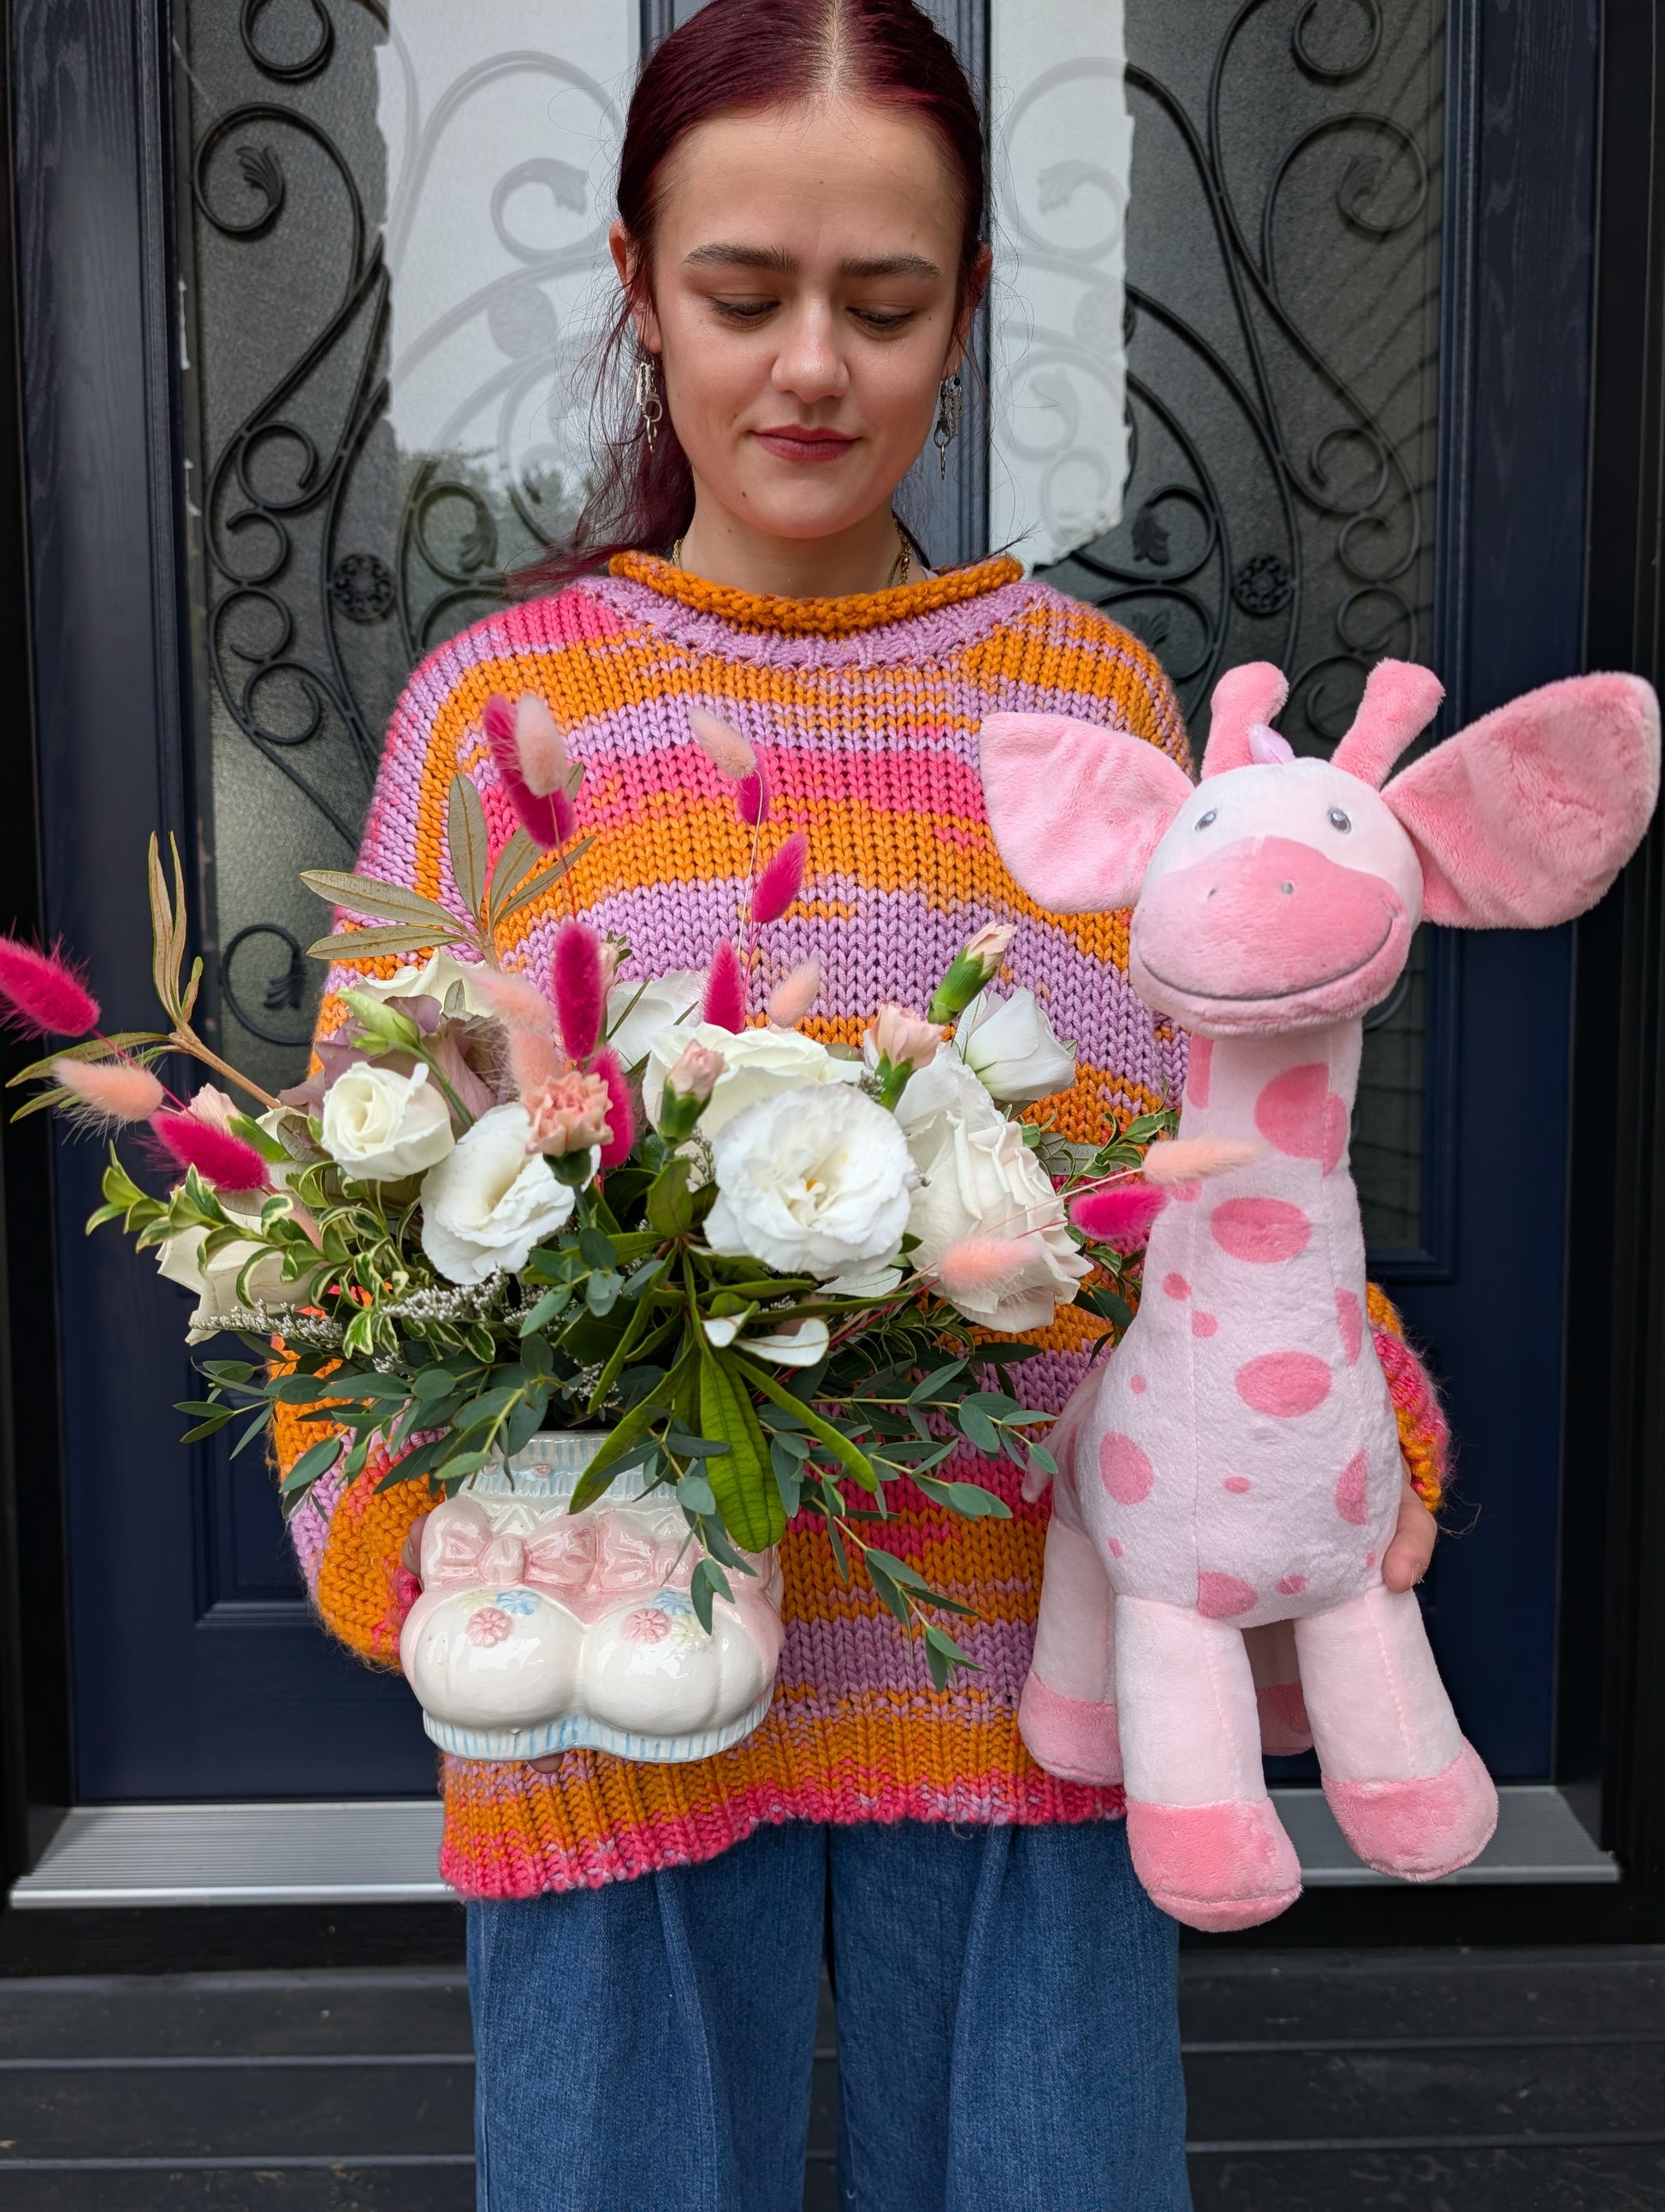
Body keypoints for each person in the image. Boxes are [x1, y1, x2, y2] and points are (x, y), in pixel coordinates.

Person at [283, 5, 1444, 2204]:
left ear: (968, 305)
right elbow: (353, 1194)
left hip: (1020, 1643)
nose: (810, 366)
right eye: (741, 295)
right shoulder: (500, 714)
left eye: (884, 304)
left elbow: (1212, 1149)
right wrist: (387, 1516)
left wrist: (1341, 1410)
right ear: (636, 286)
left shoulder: (1081, 704)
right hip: (615, 1660)